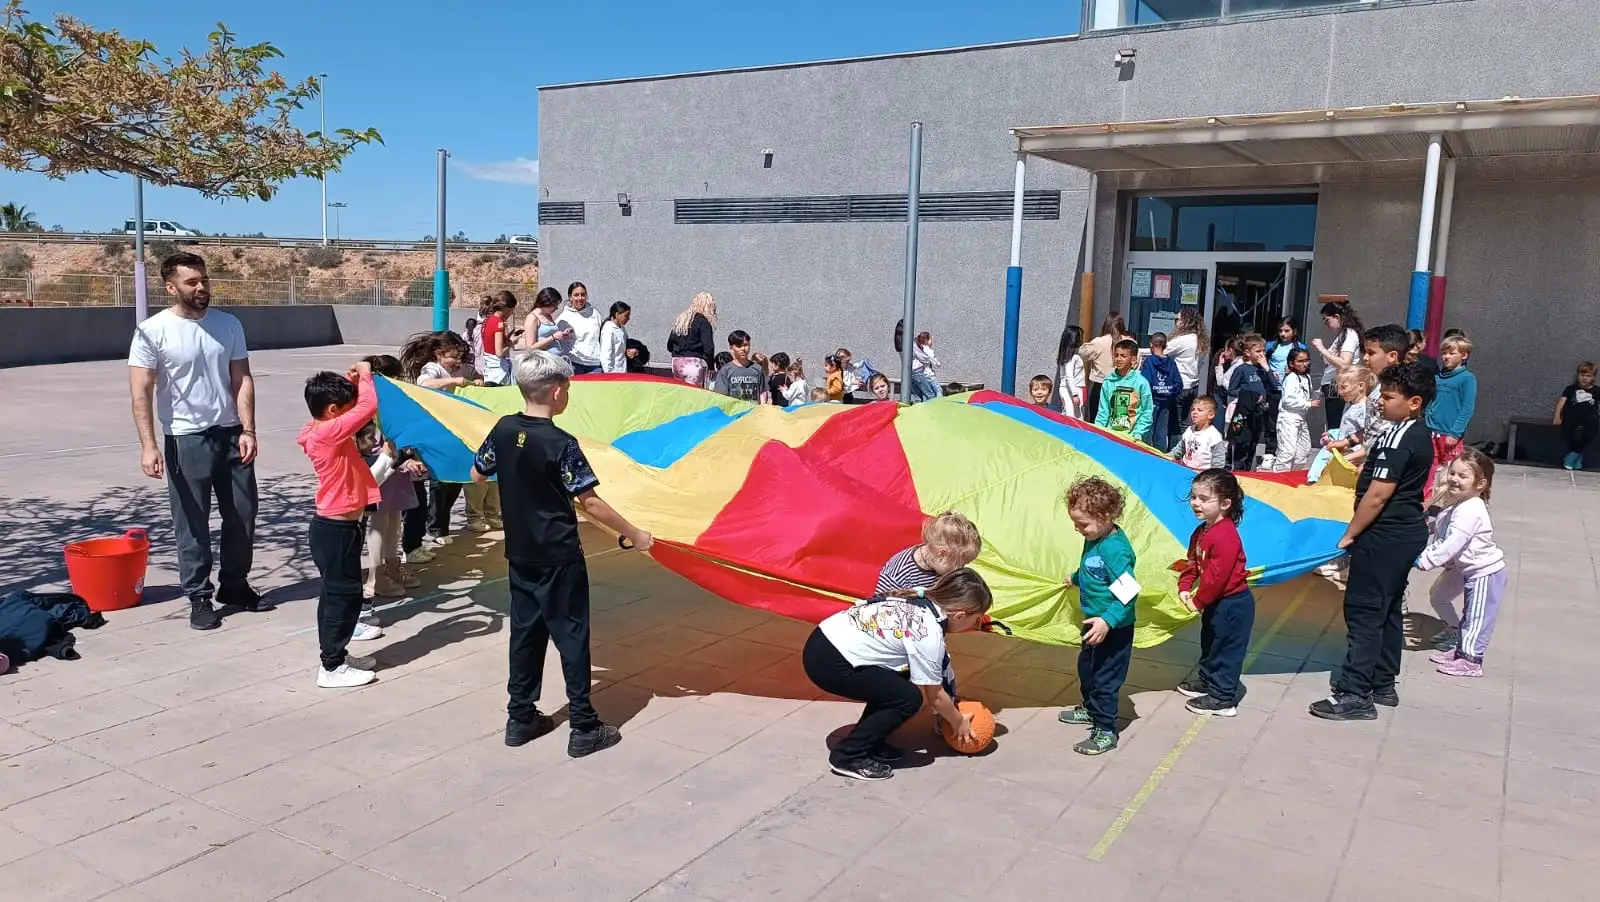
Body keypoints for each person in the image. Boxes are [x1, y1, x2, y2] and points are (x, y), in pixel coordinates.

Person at [472, 350, 653, 756]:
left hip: (520, 553)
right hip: (558, 554)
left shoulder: (503, 428)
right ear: (556, 392)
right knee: (571, 636)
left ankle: (520, 717)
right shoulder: (561, 443)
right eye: (567, 389)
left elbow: (477, 472)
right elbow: (590, 501)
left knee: (525, 633)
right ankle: (584, 726)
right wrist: (635, 534)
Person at [128, 252, 268, 631]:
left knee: (243, 514)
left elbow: (242, 379)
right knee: (192, 522)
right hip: (185, 438)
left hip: (232, 435)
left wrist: (249, 429)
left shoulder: (228, 324)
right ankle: (199, 596)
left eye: (204, 279)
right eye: (192, 282)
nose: (201, 287)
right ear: (170, 287)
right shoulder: (152, 331)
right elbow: (141, 392)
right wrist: (148, 445)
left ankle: (235, 586)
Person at [1311, 362, 1435, 722]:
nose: (1380, 401)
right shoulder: (1411, 432)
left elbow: (1378, 495)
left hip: (1384, 536)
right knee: (1388, 607)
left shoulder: (1400, 438)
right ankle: (1382, 682)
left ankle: (1355, 693)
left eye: (1389, 397)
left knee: (1364, 611)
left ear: (1413, 402)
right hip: (1402, 534)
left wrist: (1350, 533)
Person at [804, 569, 992, 781]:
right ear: (959, 615)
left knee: (899, 680)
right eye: (976, 620)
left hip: (824, 642)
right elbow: (936, 696)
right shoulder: (928, 631)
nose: (975, 626)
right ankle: (848, 756)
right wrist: (958, 722)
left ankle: (871, 742)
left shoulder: (922, 601)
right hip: (829, 661)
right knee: (907, 698)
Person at [297, 361, 383, 689]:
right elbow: (368, 406)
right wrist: (366, 373)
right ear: (333, 410)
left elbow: (359, 405)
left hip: (339, 529)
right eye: (345, 409)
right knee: (341, 598)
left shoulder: (323, 428)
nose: (353, 417)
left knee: (340, 595)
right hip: (334, 531)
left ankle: (339, 656)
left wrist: (353, 381)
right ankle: (331, 667)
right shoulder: (328, 433)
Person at [1058, 477, 1138, 755]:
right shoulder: (1095, 538)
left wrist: (1108, 621)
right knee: (1087, 669)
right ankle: (1091, 708)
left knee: (1105, 679)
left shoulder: (1115, 549)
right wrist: (1077, 577)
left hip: (1113, 628)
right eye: (1075, 523)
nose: (1078, 529)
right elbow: (1093, 568)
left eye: (1083, 524)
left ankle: (1105, 730)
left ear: (1105, 517)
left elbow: (1128, 592)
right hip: (1094, 623)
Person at [1418, 449, 1507, 679]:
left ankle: (1471, 661)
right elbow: (1443, 529)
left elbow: (1454, 540)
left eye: (1462, 476)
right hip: (1462, 567)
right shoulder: (1458, 503)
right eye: (1453, 473)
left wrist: (1427, 559)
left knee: (1476, 618)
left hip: (1483, 572)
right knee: (1442, 597)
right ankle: (1459, 646)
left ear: (1481, 483)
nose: (1454, 479)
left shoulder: (1471, 508)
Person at [1174, 469, 1254, 717]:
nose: (1195, 503)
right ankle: (1208, 682)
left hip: (1233, 603)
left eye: (1204, 499)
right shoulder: (1202, 532)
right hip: (1216, 602)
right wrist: (1185, 586)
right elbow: (1192, 564)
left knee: (1226, 651)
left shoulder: (1225, 536)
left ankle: (1222, 698)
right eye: (1193, 497)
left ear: (1225, 504)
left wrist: (1198, 601)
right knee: (1210, 643)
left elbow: (1217, 578)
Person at [875, 511, 984, 595]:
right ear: (941, 554)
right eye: (959, 564)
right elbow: (880, 603)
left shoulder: (939, 564)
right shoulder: (898, 575)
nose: (960, 569)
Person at [1424, 333, 1477, 492]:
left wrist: (1455, 433)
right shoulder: (1438, 377)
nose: (1446, 357)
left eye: (1451, 353)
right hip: (1431, 431)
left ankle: (1451, 500)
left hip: (1449, 433)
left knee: (1452, 472)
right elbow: (1431, 401)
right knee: (1428, 470)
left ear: (1464, 355)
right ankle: (1425, 501)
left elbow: (1467, 408)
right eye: (1444, 353)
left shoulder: (1467, 379)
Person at [1308, 366, 1377, 484]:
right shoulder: (1350, 404)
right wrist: (1332, 435)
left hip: (1354, 452)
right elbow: (1348, 427)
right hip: (1344, 447)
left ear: (1360, 386)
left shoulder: (1363, 408)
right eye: (1339, 388)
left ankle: (1315, 479)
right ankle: (1315, 479)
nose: (1340, 392)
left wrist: (1345, 444)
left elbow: (1365, 432)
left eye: (1344, 387)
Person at [1311, 300, 1365, 428]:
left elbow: (1344, 364)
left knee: (1335, 426)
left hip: (1338, 385)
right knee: (1333, 424)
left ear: (1337, 317)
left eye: (1327, 320)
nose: (1326, 324)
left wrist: (1322, 349)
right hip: (1332, 386)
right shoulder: (1342, 336)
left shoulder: (1349, 335)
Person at [1224, 334, 1272, 471]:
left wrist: (1267, 368)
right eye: (1258, 351)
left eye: (1263, 351)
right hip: (1243, 411)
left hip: (1259, 410)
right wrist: (1250, 397)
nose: (1262, 354)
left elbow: (1273, 385)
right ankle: (1235, 467)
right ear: (1247, 352)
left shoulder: (1262, 369)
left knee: (1253, 440)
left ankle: (1247, 468)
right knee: (1240, 439)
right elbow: (1232, 390)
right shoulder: (1241, 369)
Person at [1095, 338, 1153, 442]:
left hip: (1132, 437)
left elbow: (1147, 411)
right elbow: (1103, 411)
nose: (1118, 359)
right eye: (1116, 355)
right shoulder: (1108, 382)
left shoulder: (1141, 382)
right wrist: (1098, 430)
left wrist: (1138, 433)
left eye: (1123, 356)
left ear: (1133, 359)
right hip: (1111, 435)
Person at [1274, 347, 1320, 472]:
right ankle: (1280, 476)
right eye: (1300, 361)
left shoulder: (1307, 377)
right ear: (1291, 363)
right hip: (1288, 418)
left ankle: (1294, 475)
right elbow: (1288, 400)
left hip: (1301, 418)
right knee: (1287, 451)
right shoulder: (1291, 378)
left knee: (1304, 450)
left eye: (1306, 360)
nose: (1304, 364)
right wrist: (1308, 404)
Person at [1080, 313, 1127, 423]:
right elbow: (1136, 363)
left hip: (1100, 385)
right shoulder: (1129, 342)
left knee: (1097, 422)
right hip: (1123, 387)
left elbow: (1082, 353)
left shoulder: (1098, 342)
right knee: (1119, 422)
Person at [1141, 332, 1182, 452]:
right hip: (1166, 402)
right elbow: (1178, 384)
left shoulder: (1149, 361)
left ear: (1151, 345)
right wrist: (1169, 392)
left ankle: (1146, 454)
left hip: (1151, 400)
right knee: (1161, 432)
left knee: (1148, 431)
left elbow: (1145, 382)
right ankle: (1159, 455)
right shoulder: (1171, 363)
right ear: (1165, 346)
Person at [666, 291, 718, 387]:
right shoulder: (703, 323)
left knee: (680, 390)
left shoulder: (682, 321)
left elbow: (669, 345)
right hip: (693, 363)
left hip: (676, 362)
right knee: (694, 392)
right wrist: (711, 366)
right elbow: (709, 348)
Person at [1167, 308, 1206, 432]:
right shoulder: (1200, 340)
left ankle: (1177, 445)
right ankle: (1184, 444)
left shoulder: (1183, 340)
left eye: (1178, 319)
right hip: (1193, 386)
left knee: (1175, 426)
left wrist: (1135, 351)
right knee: (1185, 423)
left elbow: (1160, 351)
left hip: (1180, 385)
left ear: (1186, 322)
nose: (1176, 323)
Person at [1555, 361, 1598, 470]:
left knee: (1593, 429)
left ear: (1593, 377)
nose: (1585, 378)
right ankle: (1577, 456)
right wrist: (1557, 416)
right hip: (1572, 415)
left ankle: (1573, 455)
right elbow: (1561, 402)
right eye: (1582, 375)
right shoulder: (1571, 389)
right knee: (1566, 429)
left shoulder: (1597, 390)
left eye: (1588, 376)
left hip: (1590, 416)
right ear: (1578, 375)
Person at [555, 282, 604, 374]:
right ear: (570, 297)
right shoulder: (563, 318)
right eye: (576, 295)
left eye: (583, 294)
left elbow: (603, 336)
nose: (580, 298)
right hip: (574, 364)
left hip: (595, 364)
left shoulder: (595, 314)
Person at [1170, 395, 1227, 471]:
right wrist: (1166, 457)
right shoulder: (1189, 430)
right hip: (1185, 469)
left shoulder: (1214, 436)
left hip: (1202, 474)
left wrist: (1212, 476)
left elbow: (1218, 464)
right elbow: (1179, 450)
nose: (1194, 412)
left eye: (1199, 410)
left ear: (1211, 415)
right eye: (1193, 409)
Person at [712, 330, 768, 403]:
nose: (743, 349)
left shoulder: (757, 369)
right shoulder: (726, 370)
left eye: (745, 345)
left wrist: (762, 408)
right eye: (739, 346)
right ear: (731, 347)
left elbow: (762, 393)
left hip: (754, 409)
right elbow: (721, 396)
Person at [478, 291, 517, 386]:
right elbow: (499, 352)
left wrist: (507, 338)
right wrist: (511, 343)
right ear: (506, 309)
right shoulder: (499, 323)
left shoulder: (487, 320)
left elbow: (491, 343)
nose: (511, 314)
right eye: (511, 311)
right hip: (498, 370)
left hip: (489, 368)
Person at [519, 288, 572, 353]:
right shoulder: (532, 318)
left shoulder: (548, 315)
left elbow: (550, 336)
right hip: (543, 358)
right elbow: (530, 348)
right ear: (546, 302)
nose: (556, 308)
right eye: (555, 305)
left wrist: (562, 334)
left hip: (556, 358)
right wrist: (552, 337)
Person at [1055, 325, 1087, 419]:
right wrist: (1075, 394)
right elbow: (1069, 376)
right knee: (1075, 418)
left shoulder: (1066, 356)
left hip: (1069, 389)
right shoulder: (1073, 358)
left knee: (1067, 413)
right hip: (1073, 389)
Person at [599, 301, 633, 374]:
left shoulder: (621, 328)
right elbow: (605, 355)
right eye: (626, 316)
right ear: (617, 314)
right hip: (613, 373)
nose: (628, 318)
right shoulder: (608, 330)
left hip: (623, 370)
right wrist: (609, 374)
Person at [910, 331, 941, 403]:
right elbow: (930, 360)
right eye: (931, 339)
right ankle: (938, 405)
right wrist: (937, 363)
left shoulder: (917, 346)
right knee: (935, 392)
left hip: (915, 372)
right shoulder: (925, 349)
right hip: (926, 374)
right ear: (927, 340)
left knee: (918, 395)